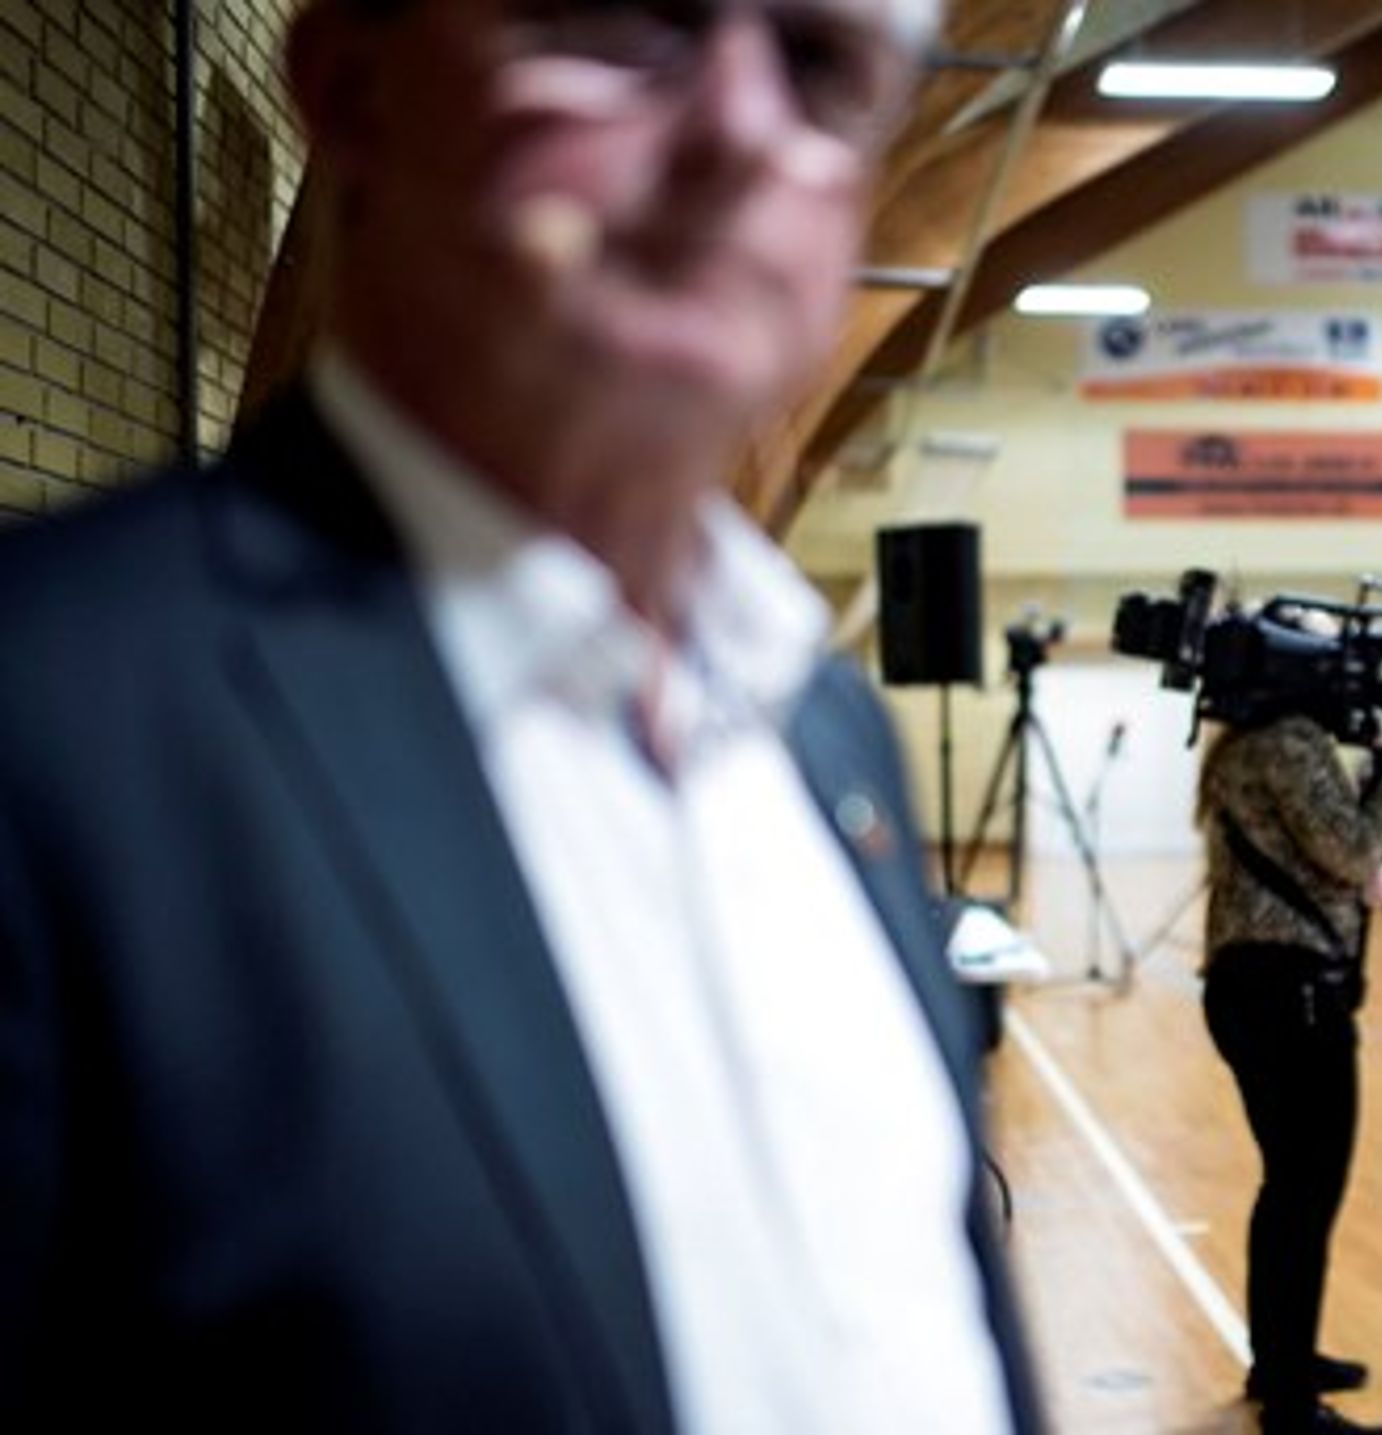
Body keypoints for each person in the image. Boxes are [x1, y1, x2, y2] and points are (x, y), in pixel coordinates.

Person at [0, 3, 1041, 1430]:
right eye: (628, 24)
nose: (742, 131)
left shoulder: (826, 728)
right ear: (350, 85)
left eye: (819, 67)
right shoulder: (57, 721)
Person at [1197, 702, 1382, 1435]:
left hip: (1259, 986)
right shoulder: (1287, 741)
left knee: (1291, 1189)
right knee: (1304, 1193)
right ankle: (1292, 1401)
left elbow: (1326, 853)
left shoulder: (1242, 740)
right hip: (1287, 992)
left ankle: (1281, 1360)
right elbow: (1357, 852)